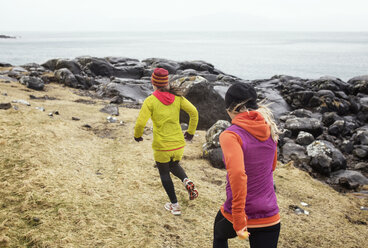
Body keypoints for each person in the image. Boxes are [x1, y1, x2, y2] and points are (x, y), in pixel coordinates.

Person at [213, 83, 281, 248]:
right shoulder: (269, 128)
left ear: (231, 108)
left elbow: (237, 175)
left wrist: (238, 217)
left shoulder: (230, 135)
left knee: (219, 235)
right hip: (270, 214)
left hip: (241, 212)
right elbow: (271, 167)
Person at [134, 68, 199, 216]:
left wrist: (138, 135)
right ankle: (186, 180)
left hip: (162, 145)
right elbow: (194, 112)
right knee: (174, 165)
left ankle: (174, 205)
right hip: (178, 144)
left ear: (153, 83)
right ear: (167, 82)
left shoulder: (150, 101)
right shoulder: (177, 98)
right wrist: (190, 132)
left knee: (164, 173)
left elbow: (140, 123)